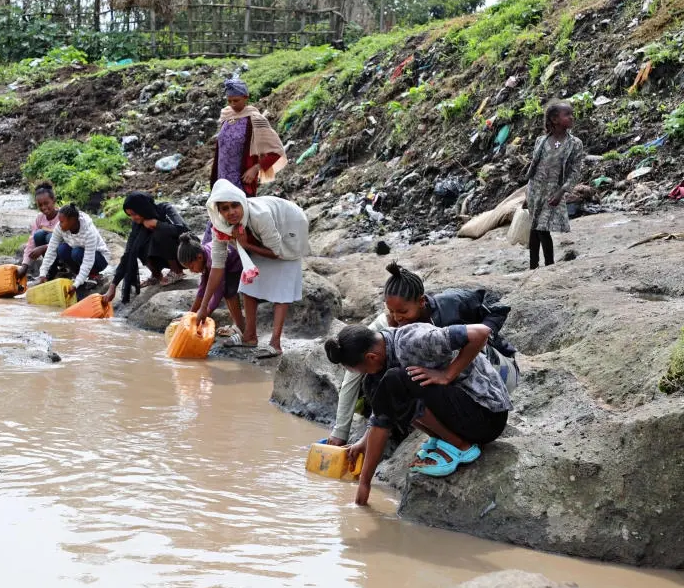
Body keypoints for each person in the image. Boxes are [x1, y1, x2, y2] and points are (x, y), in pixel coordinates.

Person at [327, 262, 519, 446]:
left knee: (466, 352)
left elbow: (494, 309)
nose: (397, 318)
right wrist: (341, 431)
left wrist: (449, 372)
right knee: (393, 381)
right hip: (454, 389)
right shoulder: (386, 326)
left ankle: (459, 441)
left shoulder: (451, 305)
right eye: (392, 312)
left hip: (494, 370)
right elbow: (355, 370)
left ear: (421, 302)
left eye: (402, 311)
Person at [325, 322, 512, 506]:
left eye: (363, 370)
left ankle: (460, 445)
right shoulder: (384, 349)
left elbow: (481, 332)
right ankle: (445, 440)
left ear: (371, 357)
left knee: (396, 380)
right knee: (376, 385)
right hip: (461, 412)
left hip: (486, 416)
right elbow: (382, 417)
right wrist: (363, 443)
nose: (366, 374)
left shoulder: (413, 341)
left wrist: (447, 374)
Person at [197, 179, 309, 359]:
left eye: (235, 205)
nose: (231, 212)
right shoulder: (221, 227)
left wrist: (246, 244)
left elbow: (277, 252)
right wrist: (203, 308)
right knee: (249, 283)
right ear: (218, 212)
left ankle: (275, 343)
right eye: (225, 208)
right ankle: (249, 336)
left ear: (242, 202)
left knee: (283, 286)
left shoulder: (260, 215)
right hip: (258, 240)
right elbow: (217, 268)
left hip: (288, 227)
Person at [524, 101, 585, 269]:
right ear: (555, 119)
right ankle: (533, 265)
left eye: (571, 114)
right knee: (535, 226)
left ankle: (549, 265)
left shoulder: (575, 144)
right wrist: (526, 193)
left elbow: (575, 171)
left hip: (553, 191)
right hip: (535, 189)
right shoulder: (541, 141)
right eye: (567, 115)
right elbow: (534, 167)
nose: (572, 117)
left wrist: (561, 192)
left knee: (543, 228)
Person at [103, 192, 189, 306]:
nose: (133, 218)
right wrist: (113, 286)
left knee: (159, 233)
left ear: (142, 208)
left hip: (183, 254)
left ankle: (176, 271)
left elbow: (184, 230)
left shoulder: (165, 208)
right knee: (136, 246)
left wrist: (158, 224)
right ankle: (156, 275)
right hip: (162, 255)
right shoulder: (137, 225)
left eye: (134, 214)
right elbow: (128, 253)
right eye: (130, 215)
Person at [213, 78, 288, 198]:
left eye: (236, 100)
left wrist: (255, 168)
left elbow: (276, 151)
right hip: (222, 179)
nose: (232, 104)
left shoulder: (255, 120)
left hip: (241, 181)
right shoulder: (226, 116)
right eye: (229, 101)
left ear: (246, 97)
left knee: (242, 212)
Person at [177, 232, 246, 337]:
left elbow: (219, 292)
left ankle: (240, 327)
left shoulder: (212, 259)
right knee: (227, 292)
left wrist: (205, 312)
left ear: (199, 257)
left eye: (191, 267)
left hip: (236, 262)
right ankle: (238, 324)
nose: (191, 271)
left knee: (229, 293)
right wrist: (190, 315)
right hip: (226, 264)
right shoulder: (204, 257)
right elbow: (202, 289)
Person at [36, 204, 111, 299]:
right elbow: (51, 249)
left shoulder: (89, 231)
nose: (59, 224)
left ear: (72, 220)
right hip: (79, 255)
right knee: (61, 249)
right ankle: (79, 275)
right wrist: (42, 273)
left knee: (76, 252)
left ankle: (93, 275)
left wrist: (76, 285)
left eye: (62, 221)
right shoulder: (60, 228)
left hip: (99, 259)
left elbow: (88, 260)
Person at [18, 182, 61, 279]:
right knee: (38, 235)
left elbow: (65, 240)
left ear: (54, 200)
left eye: (46, 203)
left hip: (63, 250)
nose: (44, 207)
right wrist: (24, 266)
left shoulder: (62, 216)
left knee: (51, 237)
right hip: (50, 254)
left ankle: (62, 266)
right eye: (40, 205)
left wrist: (43, 248)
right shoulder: (40, 218)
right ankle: (51, 270)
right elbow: (31, 242)